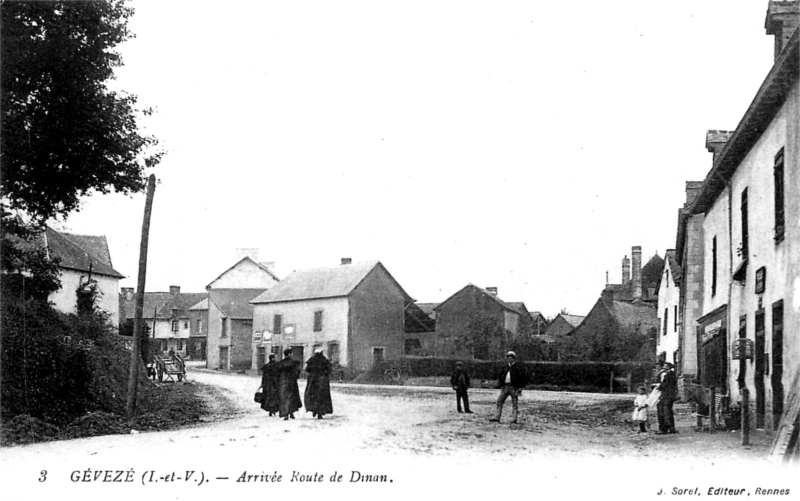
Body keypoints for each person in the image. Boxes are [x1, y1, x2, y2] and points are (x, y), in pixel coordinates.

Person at [489, 351, 528, 424]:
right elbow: (501, 376)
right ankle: (497, 417)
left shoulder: (518, 367)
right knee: (499, 401)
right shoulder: (505, 367)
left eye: (511, 358)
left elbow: (522, 378)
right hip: (505, 386)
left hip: (514, 387)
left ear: (514, 359)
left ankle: (514, 418)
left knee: (514, 403)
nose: (509, 360)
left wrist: (520, 387)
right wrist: (500, 384)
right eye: (508, 358)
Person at [304, 348, 333, 419]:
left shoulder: (311, 360)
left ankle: (314, 409)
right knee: (321, 396)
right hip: (322, 381)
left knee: (312, 395)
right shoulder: (325, 360)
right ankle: (320, 412)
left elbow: (307, 369)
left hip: (313, 381)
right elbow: (329, 370)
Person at [277, 348, 302, 420]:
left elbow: (277, 373)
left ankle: (286, 414)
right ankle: (291, 413)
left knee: (284, 398)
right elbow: (297, 372)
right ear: (289, 354)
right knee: (292, 397)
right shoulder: (294, 363)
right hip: (292, 382)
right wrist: (295, 377)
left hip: (283, 382)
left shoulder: (281, 363)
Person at [655, 360, 678, 434]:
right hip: (664, 395)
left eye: (665, 366)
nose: (664, 367)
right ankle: (665, 428)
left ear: (668, 367)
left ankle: (668, 428)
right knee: (662, 410)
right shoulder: (664, 373)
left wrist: (660, 386)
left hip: (668, 395)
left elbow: (666, 384)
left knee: (666, 412)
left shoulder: (670, 374)